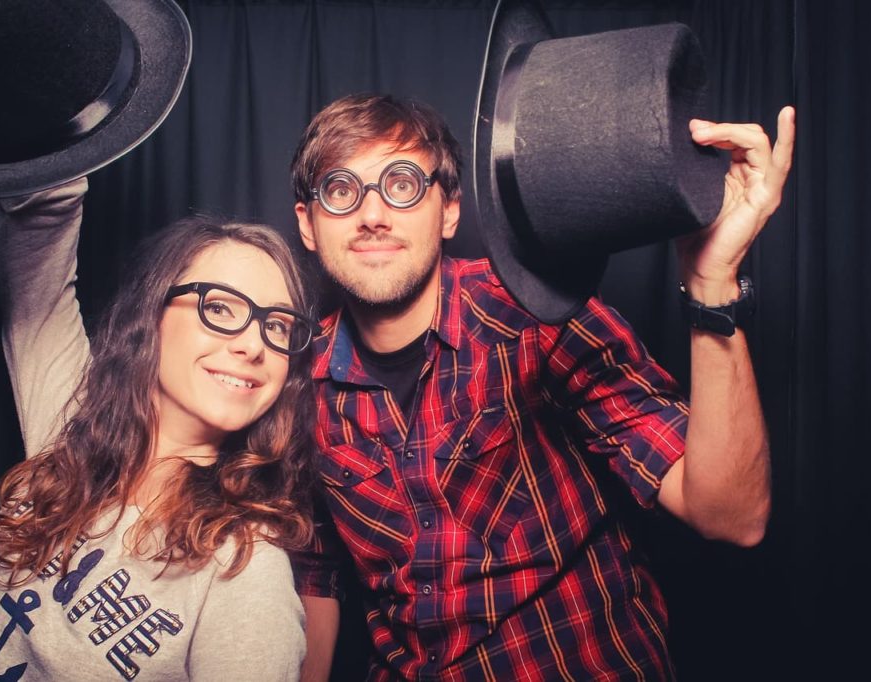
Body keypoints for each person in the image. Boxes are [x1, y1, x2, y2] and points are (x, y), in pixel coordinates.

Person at [289, 93, 795, 680]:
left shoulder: (538, 317)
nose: (373, 214)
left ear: (449, 209)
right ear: (308, 223)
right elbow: (316, 574)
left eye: (401, 183)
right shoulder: (298, 382)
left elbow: (732, 515)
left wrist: (713, 286)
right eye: (341, 190)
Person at [0, 179, 318, 681]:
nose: (253, 345)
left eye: (277, 324)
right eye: (220, 307)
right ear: (153, 313)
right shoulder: (68, 429)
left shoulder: (242, 567)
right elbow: (37, 219)